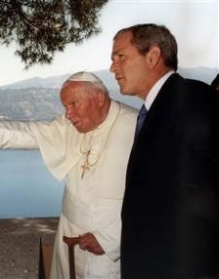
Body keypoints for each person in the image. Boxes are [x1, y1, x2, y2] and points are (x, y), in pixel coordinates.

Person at [0, 71, 137, 279]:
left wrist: (111, 239)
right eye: (66, 107)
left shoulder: (136, 127)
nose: (68, 114)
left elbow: (157, 196)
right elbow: (32, 133)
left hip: (109, 245)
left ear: (99, 99)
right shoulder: (70, 126)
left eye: (74, 104)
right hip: (70, 234)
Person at [110, 23, 219, 279]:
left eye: (121, 57)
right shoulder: (156, 110)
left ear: (153, 56)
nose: (113, 67)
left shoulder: (195, 102)